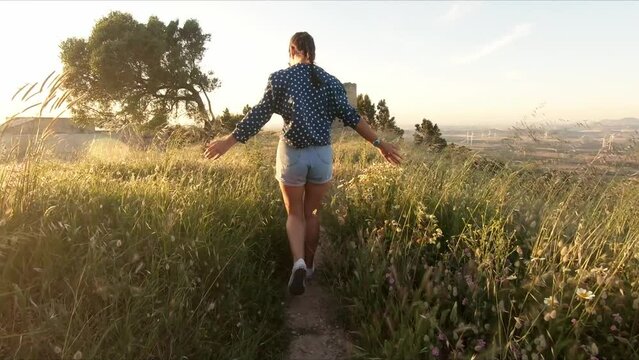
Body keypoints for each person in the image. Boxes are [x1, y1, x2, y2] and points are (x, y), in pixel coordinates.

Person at [204, 32, 402, 295]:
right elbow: (353, 118)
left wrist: (228, 142)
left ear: (292, 49)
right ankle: (308, 267)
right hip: (321, 156)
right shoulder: (331, 82)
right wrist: (380, 144)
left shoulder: (281, 78)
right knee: (312, 214)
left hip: (292, 154)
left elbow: (259, 114)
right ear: (313, 51)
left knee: (295, 214)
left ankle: (297, 262)